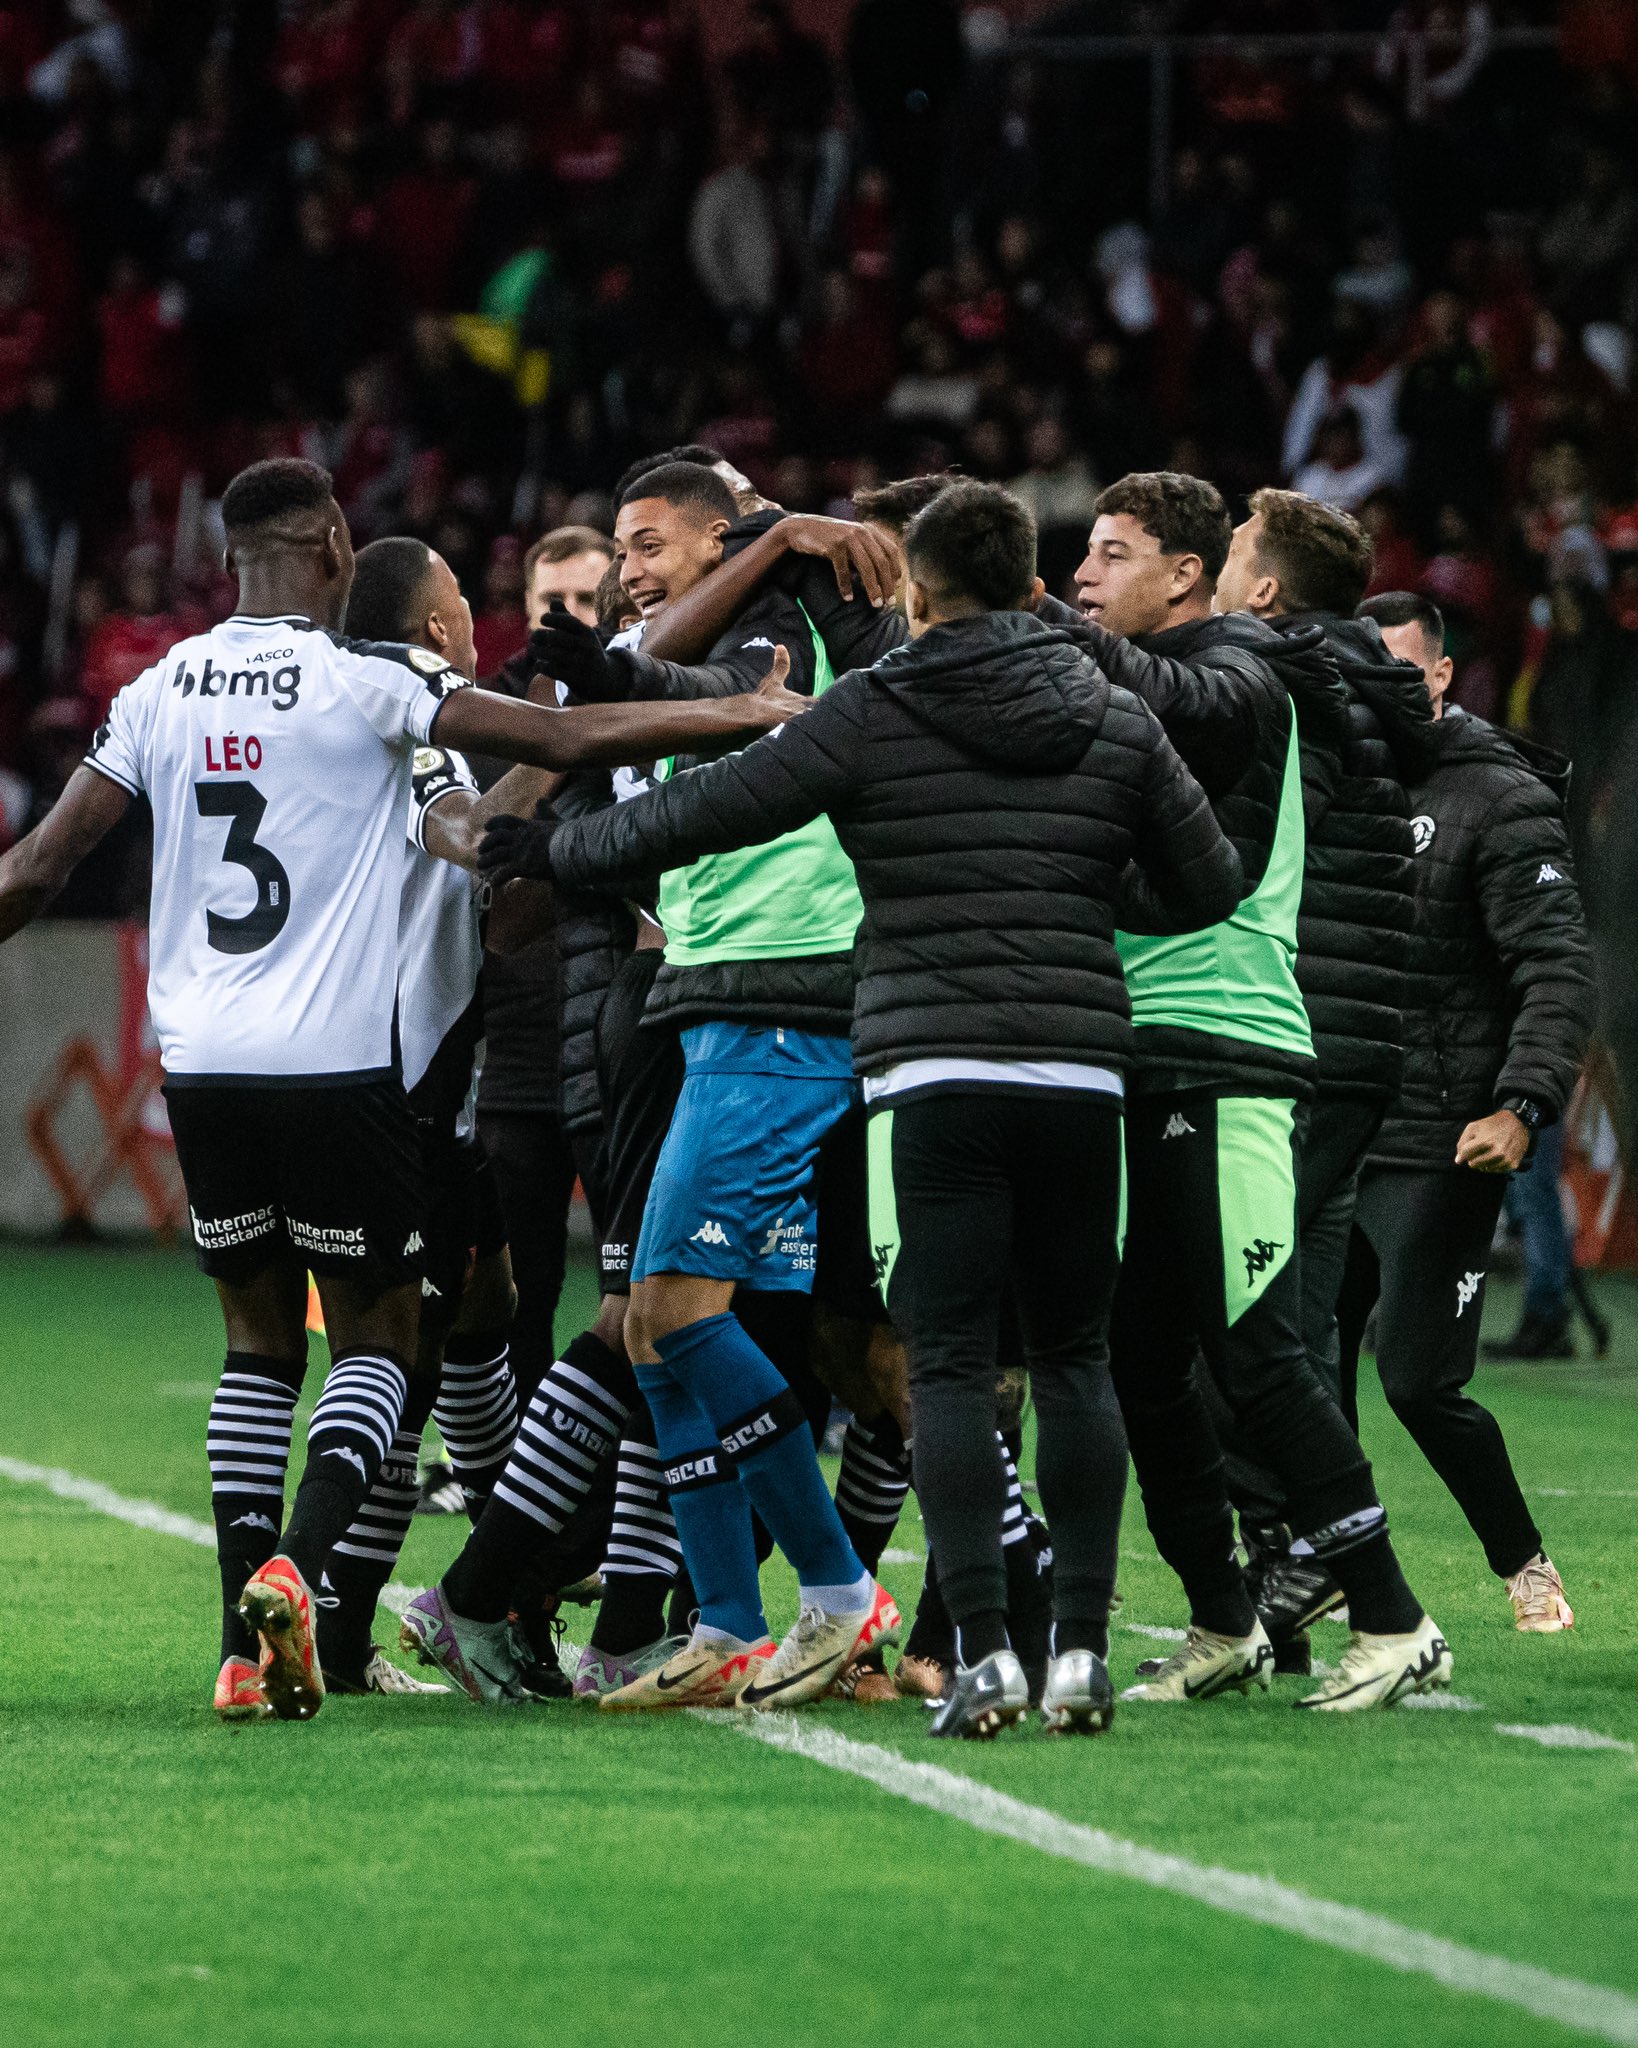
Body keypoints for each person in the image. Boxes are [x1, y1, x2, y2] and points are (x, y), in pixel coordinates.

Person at [0, 456, 810, 1726]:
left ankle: (236, 1639)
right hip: (347, 1064)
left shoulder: (159, 687)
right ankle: (304, 1571)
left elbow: (40, 868)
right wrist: (743, 717)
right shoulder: (372, 673)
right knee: (382, 1338)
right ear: (331, 542)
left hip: (200, 1064)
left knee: (258, 1347)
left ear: (229, 560)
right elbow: (553, 738)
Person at [484, 479, 1243, 1737]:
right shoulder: (1114, 714)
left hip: (932, 1069)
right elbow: (1208, 879)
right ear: (1030, 583)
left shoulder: (881, 705)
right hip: (1077, 1072)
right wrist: (1073, 909)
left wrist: (558, 853)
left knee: (936, 1364)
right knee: (1070, 1363)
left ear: (920, 588)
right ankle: (1084, 1656)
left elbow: (722, 798)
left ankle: (980, 1656)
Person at [468, 459, 903, 1715]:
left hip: (777, 999)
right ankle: (722, 1619)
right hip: (710, 1004)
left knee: (682, 1316)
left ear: (728, 536)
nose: (630, 567)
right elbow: (657, 675)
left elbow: (711, 703)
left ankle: (838, 1588)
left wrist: (763, 555)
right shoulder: (696, 644)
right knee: (660, 1329)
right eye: (620, 545)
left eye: (652, 541)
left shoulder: (780, 636)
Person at [1070, 472, 1451, 1712]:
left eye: (1108, 556)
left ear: (1192, 579)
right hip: (1148, 1039)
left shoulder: (1247, 670)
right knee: (1142, 1351)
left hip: (1227, 1040)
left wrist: (1024, 616)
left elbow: (1195, 843)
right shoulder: (1203, 668)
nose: (1084, 577)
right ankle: (1222, 1616)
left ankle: (1397, 1618)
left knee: (1259, 1343)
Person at [1208, 488, 1439, 1665]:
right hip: (1350, 1048)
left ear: (1261, 589)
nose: (1213, 570)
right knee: (1284, 1319)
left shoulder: (1277, 673)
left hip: (1300, 1036)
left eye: (1230, 553)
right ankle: (1288, 1581)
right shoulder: (1359, 685)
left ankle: (1308, 1554)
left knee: (1236, 1329)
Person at [1344, 592, 1596, 1633]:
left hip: (1444, 1131)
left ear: (1443, 676)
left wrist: (1523, 1104)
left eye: (1404, 672)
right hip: (1332, 1122)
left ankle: (1524, 1561)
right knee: (1284, 1369)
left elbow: (1558, 966)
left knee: (1413, 1378)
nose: (1384, 695)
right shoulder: (1327, 780)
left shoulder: (1498, 794)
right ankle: (1328, 1581)